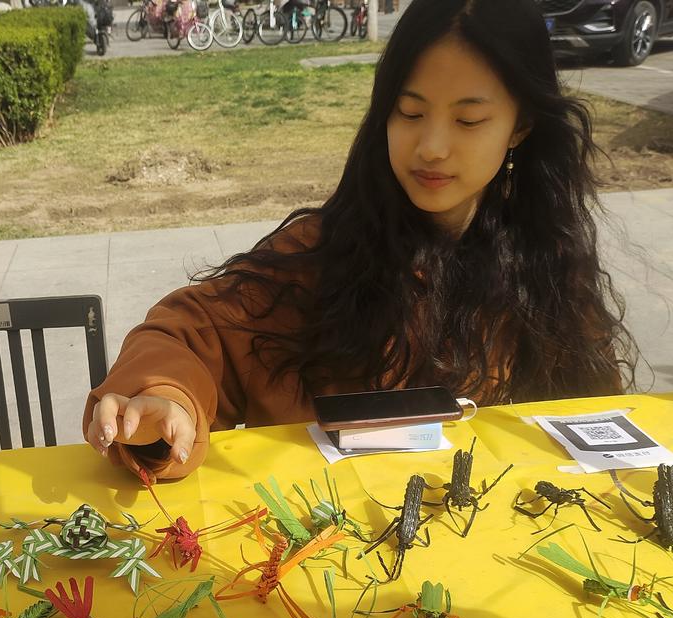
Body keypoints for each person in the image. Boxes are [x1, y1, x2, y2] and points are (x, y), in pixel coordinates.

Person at [84, 0, 638, 481]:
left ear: (520, 125)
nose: (432, 146)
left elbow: (596, 426)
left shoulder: (547, 268)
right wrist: (166, 398)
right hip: (331, 550)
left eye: (469, 120)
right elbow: (190, 335)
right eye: (410, 112)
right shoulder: (319, 257)